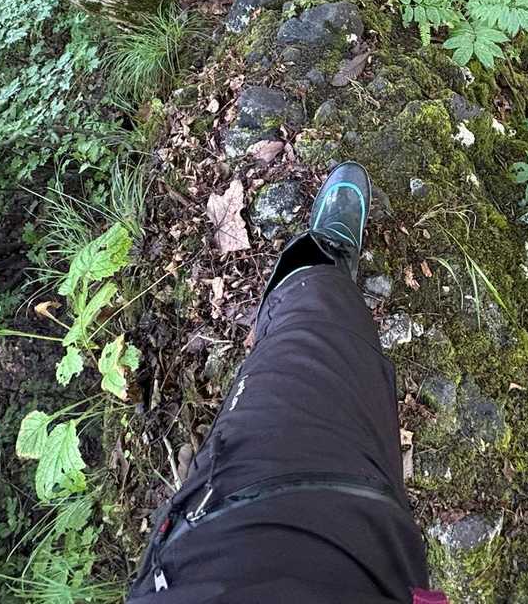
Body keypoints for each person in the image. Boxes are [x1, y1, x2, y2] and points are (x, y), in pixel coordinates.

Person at [127, 162, 445, 603]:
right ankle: (320, 277)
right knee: (320, 357)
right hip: (361, 561)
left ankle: (315, 279)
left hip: (205, 558)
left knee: (299, 360)